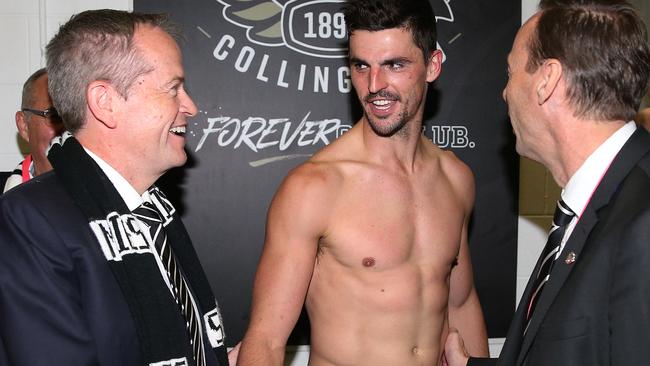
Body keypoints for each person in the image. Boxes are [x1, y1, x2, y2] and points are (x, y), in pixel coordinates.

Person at [237, 0, 489, 365]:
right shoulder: (315, 187)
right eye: (361, 66)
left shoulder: (456, 178)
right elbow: (265, 341)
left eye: (395, 65)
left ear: (432, 65)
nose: (374, 86)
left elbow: (461, 304)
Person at [0, 10, 232, 366]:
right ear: (105, 102)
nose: (191, 107)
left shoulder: (153, 212)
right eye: (173, 89)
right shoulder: (28, 221)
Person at [444, 0, 650, 365]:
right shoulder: (593, 205)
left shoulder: (642, 224)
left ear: (546, 81)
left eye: (511, 73)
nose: (505, 93)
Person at [2, 68, 64, 193]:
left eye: (79, 117)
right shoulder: (6, 203)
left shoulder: (111, 190)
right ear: (24, 125)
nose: (70, 129)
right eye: (55, 116)